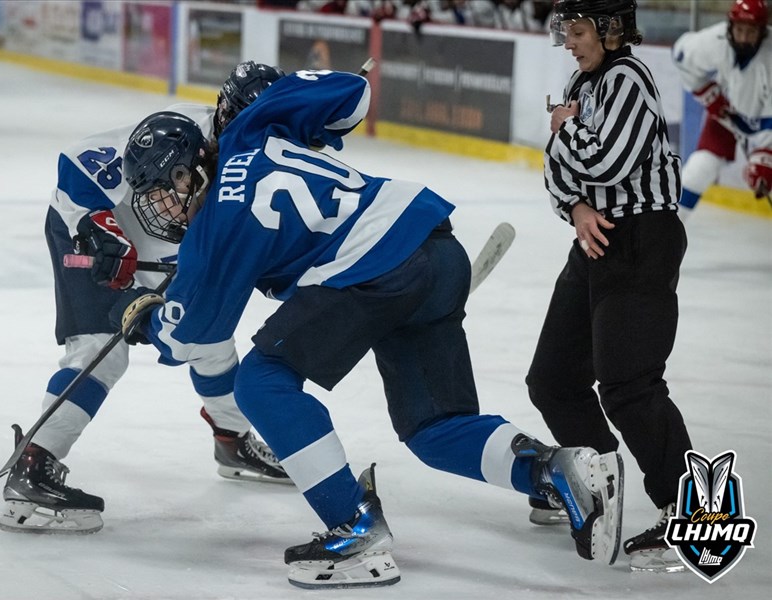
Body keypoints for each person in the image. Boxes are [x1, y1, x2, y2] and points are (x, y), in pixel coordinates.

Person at [111, 68, 624, 589]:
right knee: (433, 427)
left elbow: (191, 337)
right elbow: (353, 95)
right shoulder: (256, 130)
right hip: (436, 248)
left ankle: (354, 528)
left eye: (165, 189)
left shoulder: (216, 228)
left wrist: (148, 317)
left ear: (191, 168)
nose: (164, 208)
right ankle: (559, 473)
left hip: (374, 270)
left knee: (262, 381)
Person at [0, 62, 292, 536]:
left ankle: (233, 442)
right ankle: (33, 464)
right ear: (225, 112)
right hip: (102, 230)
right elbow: (78, 163)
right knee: (99, 351)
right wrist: (97, 227)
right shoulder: (176, 132)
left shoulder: (270, 158)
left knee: (210, 338)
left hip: (172, 241)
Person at [526, 0, 692, 573]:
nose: (569, 42)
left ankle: (696, 516)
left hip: (642, 240)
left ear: (612, 29)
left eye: (577, 30)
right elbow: (555, 170)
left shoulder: (628, 79)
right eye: (565, 31)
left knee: (629, 385)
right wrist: (573, 206)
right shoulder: (583, 81)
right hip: (594, 240)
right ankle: (598, 487)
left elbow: (605, 163)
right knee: (552, 380)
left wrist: (565, 129)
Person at [673, 0, 771, 221]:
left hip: (765, 121)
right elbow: (680, 54)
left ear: (763, 32)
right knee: (700, 168)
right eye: (739, 30)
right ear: (730, 28)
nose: (744, 38)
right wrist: (706, 91)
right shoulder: (715, 41)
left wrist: (766, 154)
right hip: (726, 115)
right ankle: (668, 231)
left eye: (751, 31)